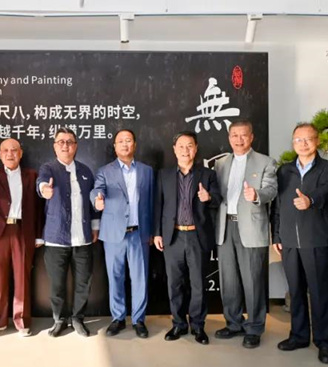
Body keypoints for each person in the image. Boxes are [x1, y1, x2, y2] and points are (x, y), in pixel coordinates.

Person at [271, 123, 328, 364]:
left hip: (317, 240)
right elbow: (278, 206)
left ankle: (325, 342)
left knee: (320, 293)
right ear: (293, 143)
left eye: (308, 139)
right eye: (298, 140)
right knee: (296, 291)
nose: (303, 144)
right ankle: (299, 336)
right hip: (289, 241)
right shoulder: (284, 171)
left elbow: (327, 190)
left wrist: (310, 200)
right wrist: (277, 235)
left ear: (317, 141)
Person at [214, 120, 277, 349]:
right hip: (225, 226)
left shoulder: (266, 162)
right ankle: (233, 323)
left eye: (243, 135)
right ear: (229, 137)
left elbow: (271, 190)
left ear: (251, 137)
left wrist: (256, 195)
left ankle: (254, 327)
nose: (238, 140)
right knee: (228, 280)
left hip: (251, 228)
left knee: (253, 282)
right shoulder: (221, 163)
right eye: (234, 135)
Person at [154, 131, 221, 344]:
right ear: (174, 149)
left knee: (198, 284)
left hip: (197, 236)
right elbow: (158, 206)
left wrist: (208, 197)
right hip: (172, 236)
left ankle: (198, 326)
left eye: (189, 145)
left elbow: (218, 199)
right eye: (181, 146)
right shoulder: (164, 175)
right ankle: (178, 324)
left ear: (196, 148)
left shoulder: (207, 175)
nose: (185, 150)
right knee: (174, 284)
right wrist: (157, 233)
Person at [37, 127, 100, 338]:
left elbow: (92, 202)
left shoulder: (85, 171)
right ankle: (59, 319)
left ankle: (78, 318)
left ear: (76, 146)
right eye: (61, 142)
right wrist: (44, 189)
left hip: (83, 238)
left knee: (83, 282)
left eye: (69, 142)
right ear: (55, 146)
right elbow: (41, 183)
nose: (65, 145)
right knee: (57, 284)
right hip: (56, 238)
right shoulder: (48, 168)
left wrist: (95, 227)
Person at [91, 129, 154, 339]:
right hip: (113, 234)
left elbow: (152, 202)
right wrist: (97, 200)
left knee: (140, 279)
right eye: (120, 141)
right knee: (115, 277)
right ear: (115, 146)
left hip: (139, 233)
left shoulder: (146, 171)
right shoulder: (105, 171)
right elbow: (97, 190)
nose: (125, 144)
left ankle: (138, 320)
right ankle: (118, 318)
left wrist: (152, 231)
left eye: (128, 140)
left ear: (134, 144)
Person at [0, 138, 44, 337]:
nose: (10, 154)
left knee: (22, 278)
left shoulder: (31, 175)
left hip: (22, 231)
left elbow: (38, 208)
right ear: (0, 155)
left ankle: (22, 322)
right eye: (6, 150)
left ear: (20, 153)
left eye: (14, 150)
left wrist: (39, 235)